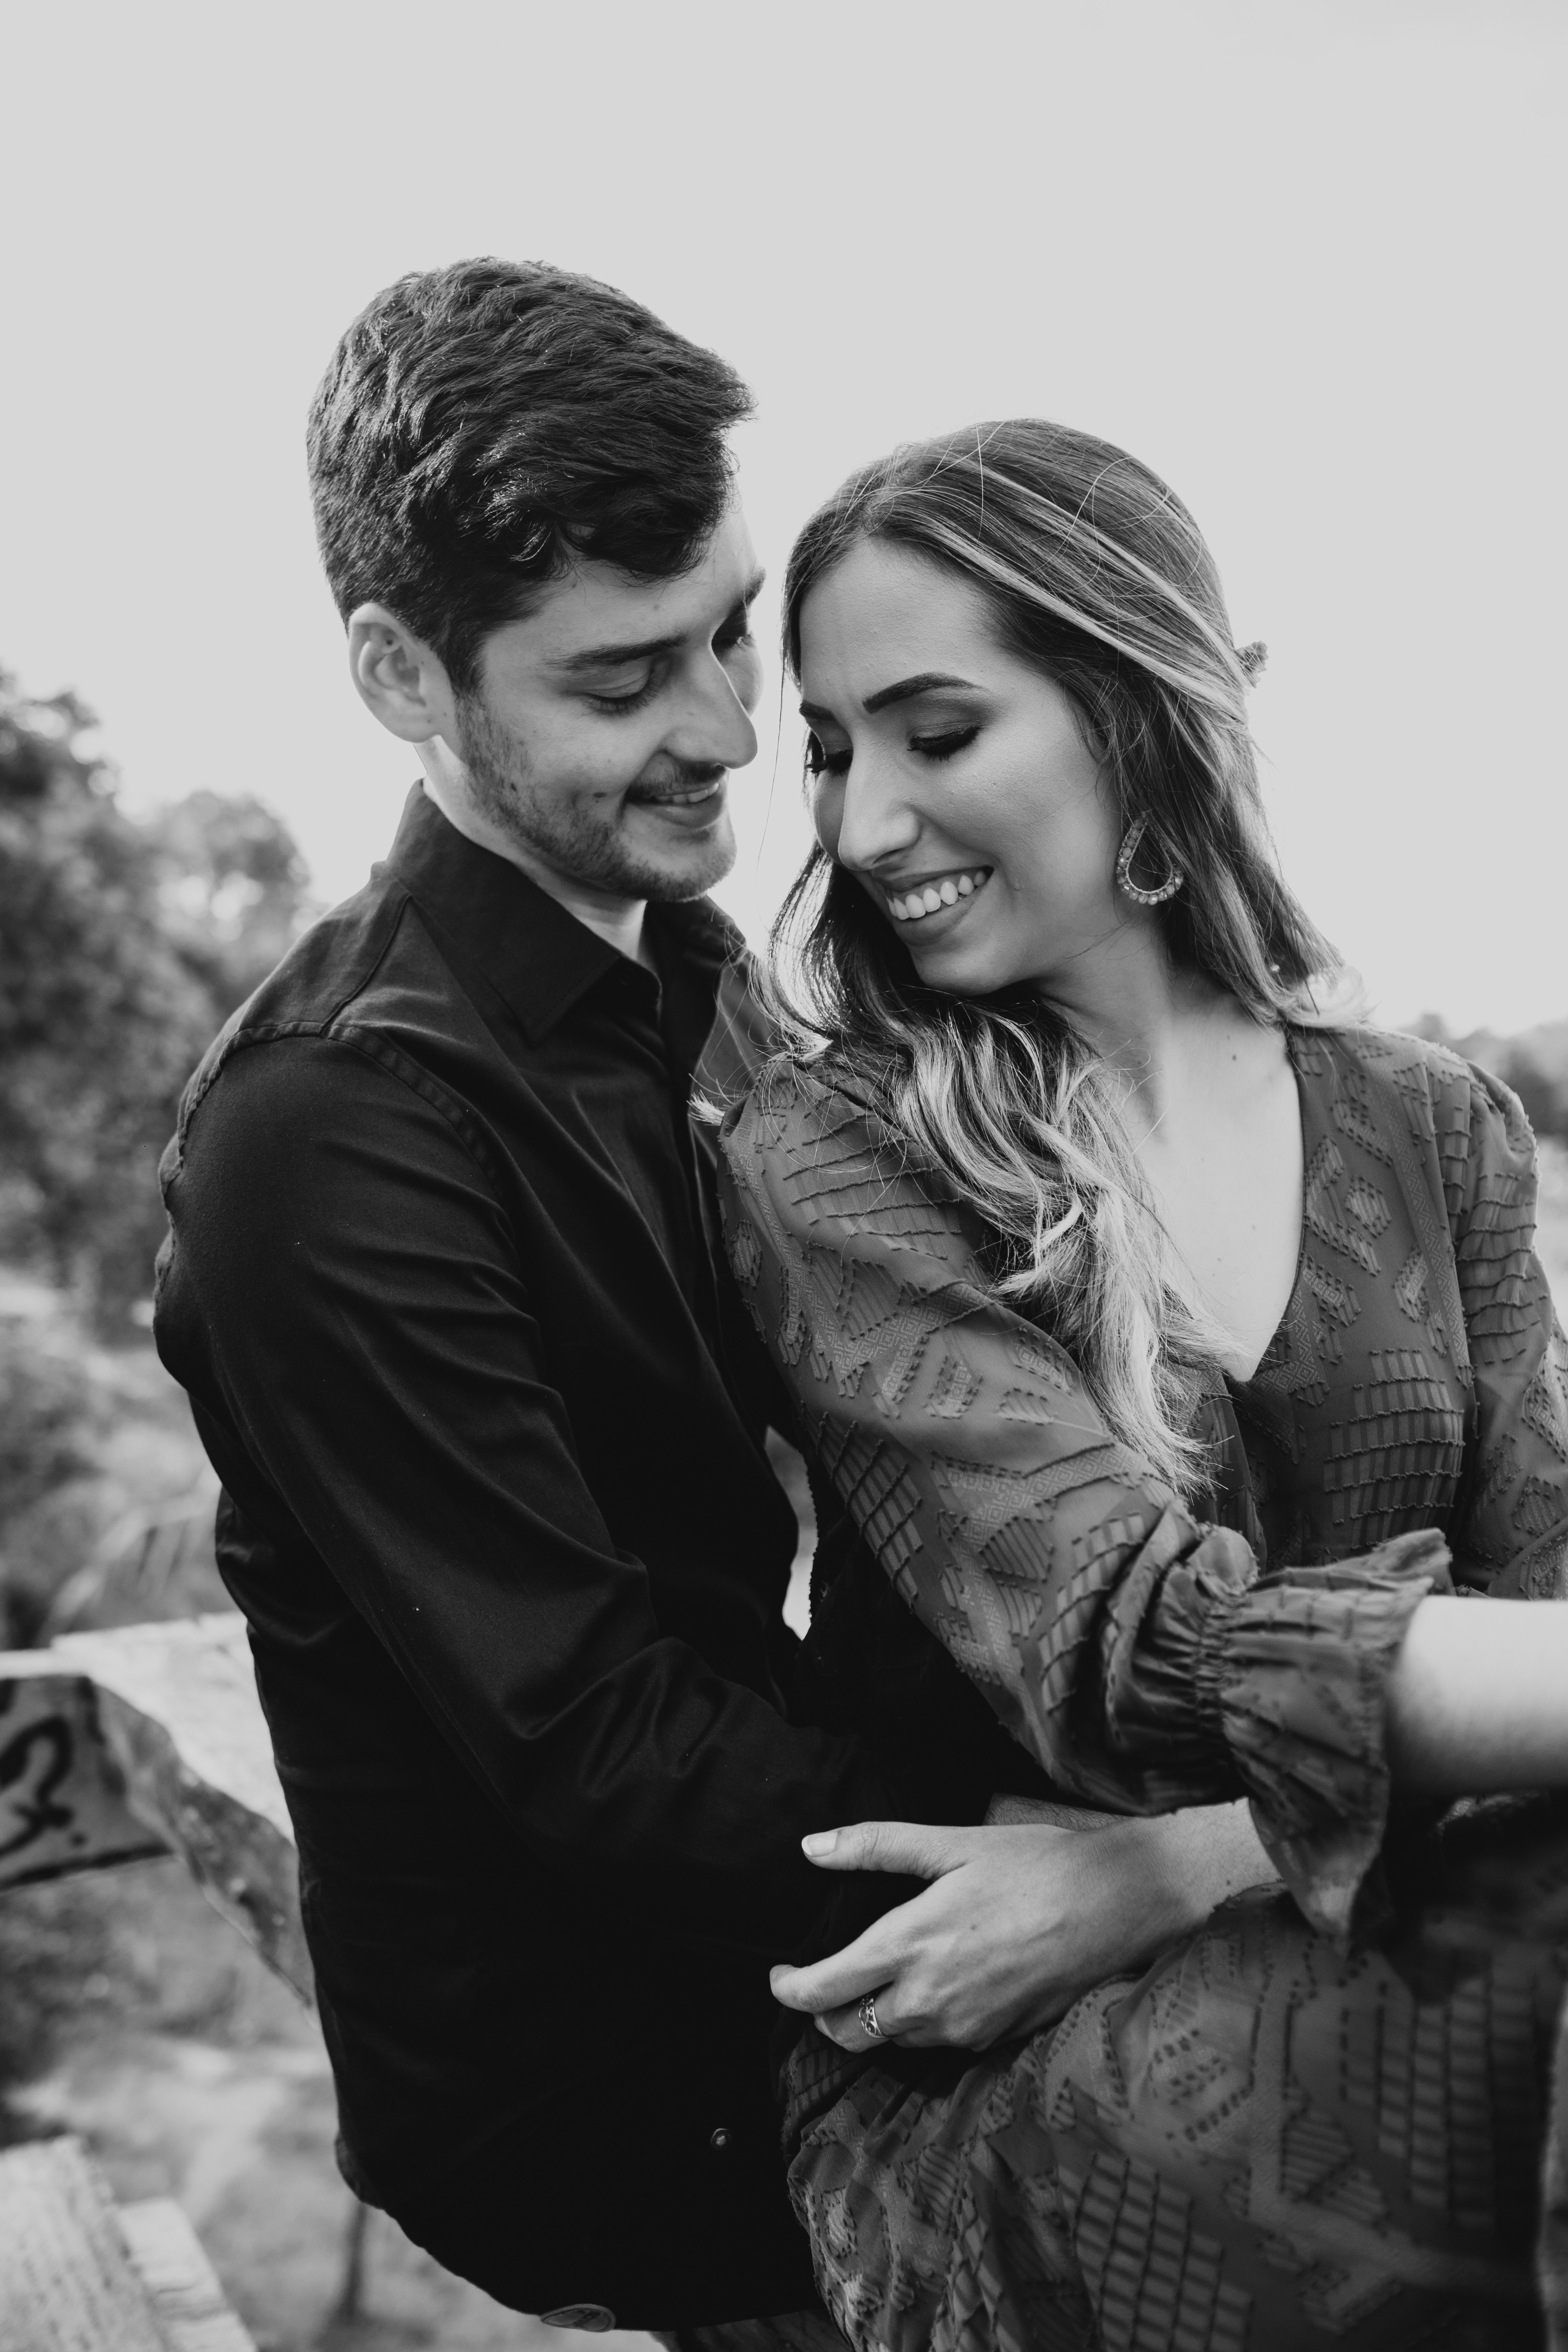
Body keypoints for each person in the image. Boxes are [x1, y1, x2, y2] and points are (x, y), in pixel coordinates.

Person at [151, 264, 1274, 2339]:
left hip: (762, 1911)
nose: (736, 730)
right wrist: (1105, 1864)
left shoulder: (695, 985)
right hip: (608, 2071)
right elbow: (601, 1740)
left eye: (736, 630)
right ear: (405, 675)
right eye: (622, 678)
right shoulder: (332, 1136)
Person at [715, 419, 1568, 2351]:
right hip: (1012, 2057)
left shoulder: (1435, 1127)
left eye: (938, 734)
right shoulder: (840, 1153)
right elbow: (1124, 1655)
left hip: (1245, 1913)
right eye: (833, 751)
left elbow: (1541, 1599)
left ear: (1135, 705)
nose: (860, 830)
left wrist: (1189, 1862)